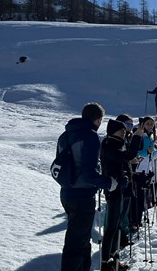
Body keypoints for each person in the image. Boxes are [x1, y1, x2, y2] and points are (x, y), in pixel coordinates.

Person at [58, 102, 118, 271]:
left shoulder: (65, 135)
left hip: (67, 192)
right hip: (83, 196)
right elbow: (88, 173)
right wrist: (108, 183)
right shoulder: (90, 136)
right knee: (76, 244)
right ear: (98, 120)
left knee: (80, 240)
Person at [99, 119, 140, 271]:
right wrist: (138, 135)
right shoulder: (110, 145)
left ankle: (113, 260)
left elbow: (123, 161)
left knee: (115, 227)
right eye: (122, 131)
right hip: (113, 190)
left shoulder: (114, 143)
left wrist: (125, 176)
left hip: (118, 189)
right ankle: (105, 263)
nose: (124, 133)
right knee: (111, 228)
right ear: (113, 131)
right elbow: (128, 155)